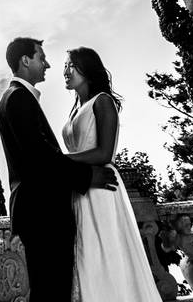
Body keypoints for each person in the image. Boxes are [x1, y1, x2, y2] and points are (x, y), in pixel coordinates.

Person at [0, 37, 118, 302]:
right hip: (43, 214)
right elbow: (40, 158)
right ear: (25, 61)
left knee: (51, 290)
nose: (48, 64)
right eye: (41, 58)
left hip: (42, 212)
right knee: (52, 292)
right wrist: (88, 176)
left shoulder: (17, 98)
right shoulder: (18, 99)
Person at [61, 46, 162, 302]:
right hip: (80, 186)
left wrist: (57, 161)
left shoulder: (103, 101)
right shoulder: (75, 108)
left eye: (71, 65)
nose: (65, 70)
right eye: (65, 65)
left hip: (101, 190)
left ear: (87, 67)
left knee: (105, 254)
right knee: (86, 255)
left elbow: (105, 153)